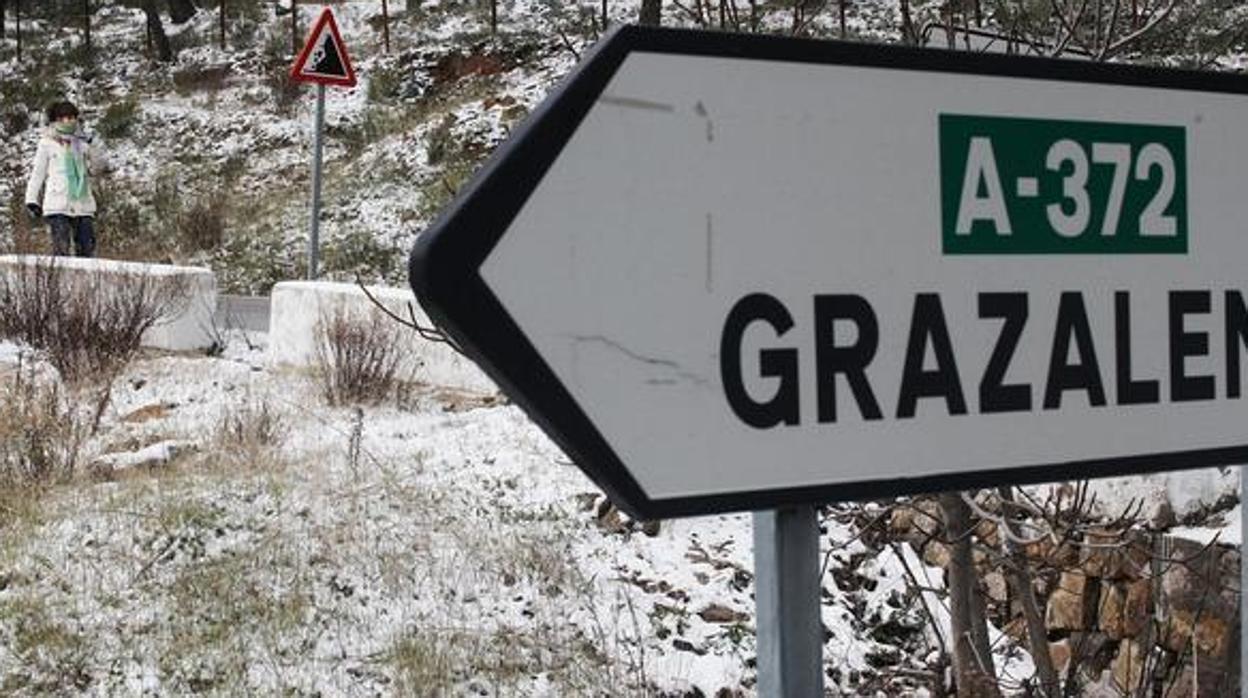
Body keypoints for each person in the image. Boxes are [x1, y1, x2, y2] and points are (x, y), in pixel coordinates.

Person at [24, 100, 99, 257]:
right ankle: (58, 282)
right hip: (57, 202)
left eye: (72, 117)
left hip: (83, 202)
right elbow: (38, 173)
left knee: (87, 251)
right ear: (55, 120)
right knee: (61, 251)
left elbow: (99, 167)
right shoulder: (47, 143)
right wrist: (31, 200)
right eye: (63, 117)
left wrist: (95, 145)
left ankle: (85, 282)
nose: (68, 121)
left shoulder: (84, 143)